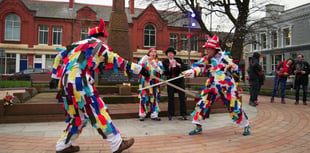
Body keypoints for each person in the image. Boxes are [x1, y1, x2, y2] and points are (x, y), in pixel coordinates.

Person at [51, 18, 149, 153]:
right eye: (106, 39)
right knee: (98, 110)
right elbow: (116, 59)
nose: (107, 42)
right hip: (80, 82)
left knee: (78, 117)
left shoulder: (77, 44)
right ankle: (117, 143)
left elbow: (58, 57)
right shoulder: (99, 45)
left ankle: (63, 145)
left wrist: (54, 77)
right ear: (101, 37)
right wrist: (139, 69)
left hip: (65, 84)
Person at [183, 35, 251, 136]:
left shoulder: (225, 58)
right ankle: (198, 127)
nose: (207, 51)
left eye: (209, 49)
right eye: (206, 48)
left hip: (227, 87)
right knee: (202, 104)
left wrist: (234, 67)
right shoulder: (207, 59)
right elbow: (199, 68)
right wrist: (190, 72)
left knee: (234, 106)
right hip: (212, 87)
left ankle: (246, 126)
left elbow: (237, 71)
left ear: (215, 49)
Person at [138, 48, 164, 121]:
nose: (153, 53)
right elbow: (139, 65)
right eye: (151, 52)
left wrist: (155, 66)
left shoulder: (158, 62)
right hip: (145, 83)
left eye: (155, 52)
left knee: (154, 98)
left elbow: (160, 72)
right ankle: (142, 114)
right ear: (148, 53)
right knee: (143, 98)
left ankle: (154, 114)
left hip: (154, 83)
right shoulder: (144, 61)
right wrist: (146, 58)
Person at [162, 47, 188, 120]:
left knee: (182, 97)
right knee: (170, 98)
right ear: (167, 55)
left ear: (174, 54)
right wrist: (169, 67)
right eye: (169, 53)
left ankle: (183, 114)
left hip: (179, 80)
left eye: (172, 53)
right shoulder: (165, 62)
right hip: (171, 80)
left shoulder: (178, 60)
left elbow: (185, 67)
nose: (170, 54)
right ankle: (170, 114)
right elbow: (165, 72)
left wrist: (179, 65)